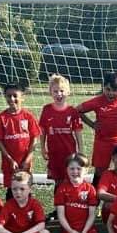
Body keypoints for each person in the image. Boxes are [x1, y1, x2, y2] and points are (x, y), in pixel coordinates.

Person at [77, 71, 117, 187]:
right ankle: (94, 201)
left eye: (115, 90)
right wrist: (92, 124)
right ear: (103, 87)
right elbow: (78, 110)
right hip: (102, 141)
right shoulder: (97, 101)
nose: (110, 93)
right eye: (107, 89)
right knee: (100, 171)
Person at [39, 74, 83, 220]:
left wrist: (81, 151)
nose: (59, 94)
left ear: (68, 92)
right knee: (58, 182)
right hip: (54, 154)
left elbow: (77, 132)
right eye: (56, 91)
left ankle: (70, 209)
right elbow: (43, 131)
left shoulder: (72, 111)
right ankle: (58, 210)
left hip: (69, 154)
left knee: (70, 181)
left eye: (62, 91)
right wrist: (42, 148)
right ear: (50, 92)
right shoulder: (46, 110)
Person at [0, 83, 41, 198]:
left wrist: (28, 159)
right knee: (11, 190)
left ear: (22, 97)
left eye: (15, 96)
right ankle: (10, 214)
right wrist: (10, 159)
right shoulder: (1, 118)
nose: (12, 99)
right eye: (8, 96)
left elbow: (35, 138)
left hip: (25, 163)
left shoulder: (28, 116)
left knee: (26, 189)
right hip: (9, 164)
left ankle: (28, 215)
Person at [54, 153, 99, 233]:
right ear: (67, 170)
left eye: (79, 169)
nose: (75, 172)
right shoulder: (62, 189)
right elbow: (60, 215)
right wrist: (71, 232)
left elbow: (92, 214)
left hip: (87, 229)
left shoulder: (90, 189)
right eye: (72, 169)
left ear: (86, 170)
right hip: (69, 230)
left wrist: (85, 231)